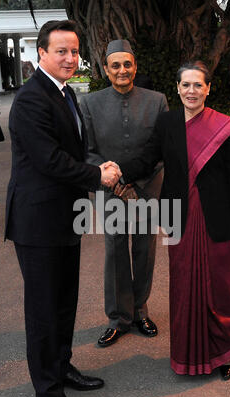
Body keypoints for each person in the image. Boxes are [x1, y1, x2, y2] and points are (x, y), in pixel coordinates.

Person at [5, 20, 121, 397]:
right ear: (40, 53)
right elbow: (48, 160)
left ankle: (63, 367)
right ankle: (49, 396)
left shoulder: (66, 92)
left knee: (64, 302)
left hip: (65, 219)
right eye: (61, 51)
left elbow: (73, 150)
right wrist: (96, 177)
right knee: (43, 310)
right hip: (37, 223)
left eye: (74, 51)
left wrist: (95, 164)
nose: (70, 58)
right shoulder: (31, 99)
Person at [117, 61, 230, 380]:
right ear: (177, 88)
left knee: (221, 288)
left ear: (208, 88)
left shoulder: (226, 127)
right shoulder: (167, 123)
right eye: (186, 85)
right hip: (179, 216)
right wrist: (117, 171)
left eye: (198, 85)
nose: (192, 91)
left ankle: (225, 353)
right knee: (184, 287)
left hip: (218, 219)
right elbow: (148, 159)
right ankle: (188, 355)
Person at [80, 39, 169, 347]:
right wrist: (110, 179)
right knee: (115, 252)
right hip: (109, 191)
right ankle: (119, 318)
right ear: (106, 69)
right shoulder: (89, 104)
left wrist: (135, 179)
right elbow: (86, 150)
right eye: (115, 65)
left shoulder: (157, 100)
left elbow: (162, 149)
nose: (122, 70)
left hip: (147, 188)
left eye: (127, 64)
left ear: (135, 67)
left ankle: (141, 311)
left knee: (145, 250)